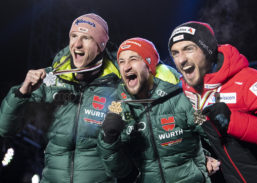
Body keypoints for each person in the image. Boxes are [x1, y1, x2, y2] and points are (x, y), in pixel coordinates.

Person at [0, 13, 121, 183]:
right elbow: (5, 128)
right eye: (73, 36)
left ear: (101, 45)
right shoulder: (50, 78)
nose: (77, 44)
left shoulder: (118, 86)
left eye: (86, 38)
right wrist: (22, 93)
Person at [168, 21, 257, 183]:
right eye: (175, 53)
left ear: (208, 50)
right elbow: (190, 133)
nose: (181, 59)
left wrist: (232, 121)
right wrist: (201, 155)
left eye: (188, 49)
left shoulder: (249, 80)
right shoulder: (186, 91)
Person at [97, 37, 211, 183]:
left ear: (149, 64)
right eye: (122, 62)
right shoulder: (118, 107)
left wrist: (214, 120)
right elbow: (119, 170)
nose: (126, 67)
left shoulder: (180, 97)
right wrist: (109, 139)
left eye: (133, 59)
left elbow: (211, 133)